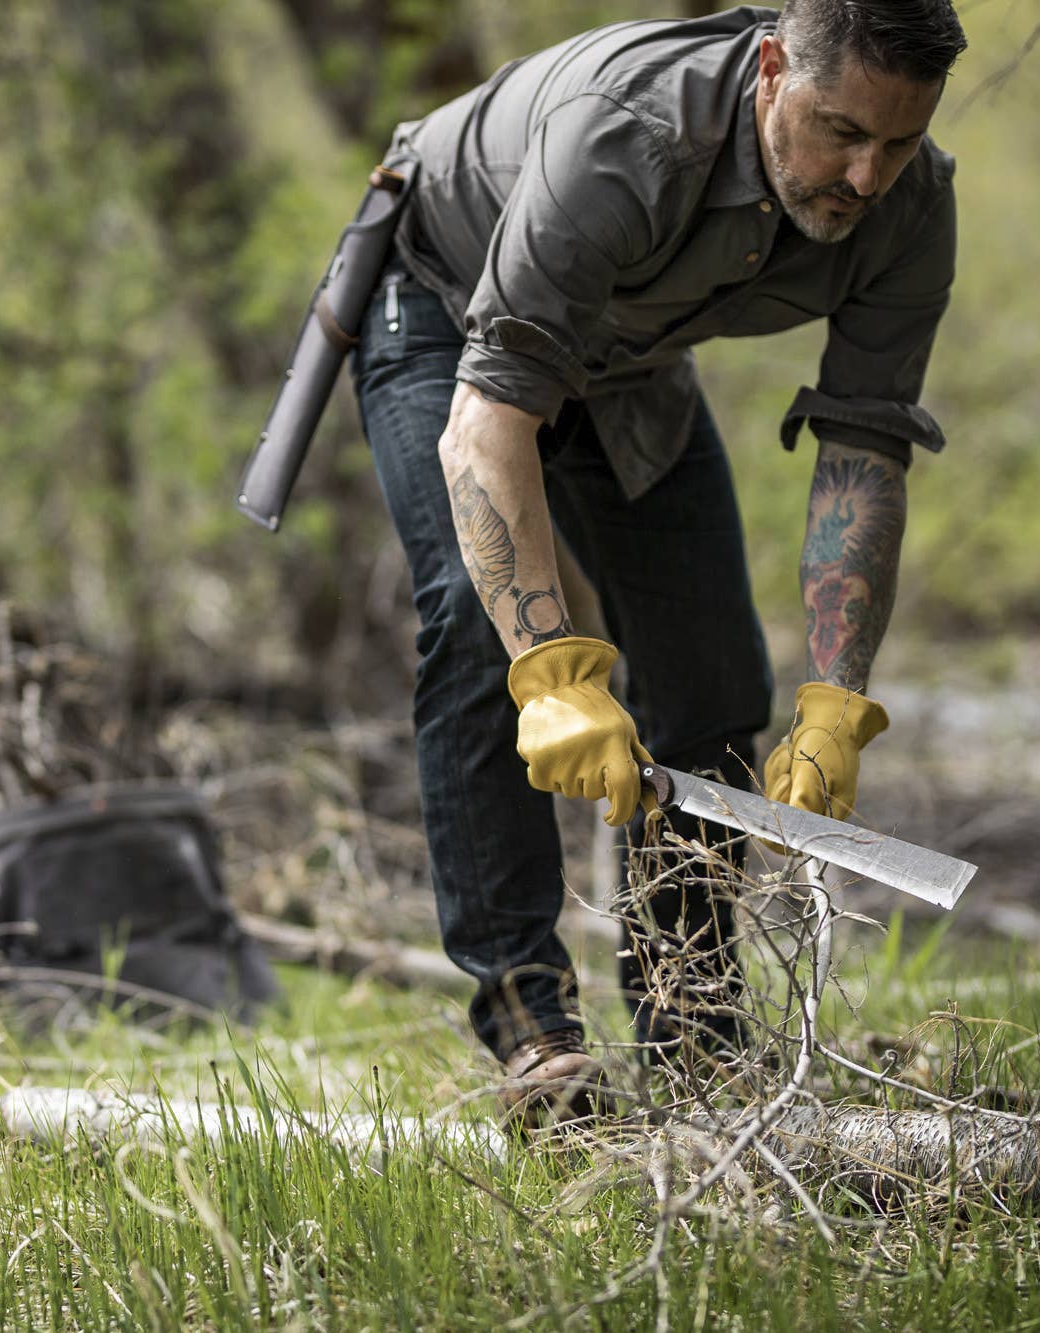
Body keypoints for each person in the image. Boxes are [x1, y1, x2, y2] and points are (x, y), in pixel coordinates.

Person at [349, 0, 965, 1120]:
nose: (865, 176)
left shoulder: (910, 208)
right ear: (771, 68)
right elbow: (486, 423)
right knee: (475, 624)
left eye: (899, 140)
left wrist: (833, 698)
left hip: (629, 360)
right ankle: (530, 1024)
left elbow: (863, 454)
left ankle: (693, 1027)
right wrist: (550, 671)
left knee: (713, 677)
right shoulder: (623, 135)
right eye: (839, 132)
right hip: (445, 307)